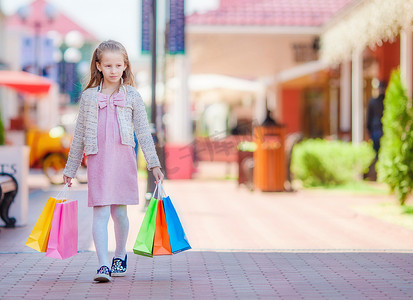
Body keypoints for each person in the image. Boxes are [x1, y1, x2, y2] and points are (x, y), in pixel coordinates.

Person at [63, 40, 164, 283]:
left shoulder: (132, 96)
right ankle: (102, 265)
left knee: (119, 213)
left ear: (125, 66)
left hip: (123, 161)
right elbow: (78, 136)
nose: (113, 70)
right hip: (98, 161)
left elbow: (143, 131)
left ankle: (120, 255)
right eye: (107, 65)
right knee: (100, 213)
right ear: (98, 66)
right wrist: (70, 168)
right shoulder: (88, 98)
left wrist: (154, 164)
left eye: (118, 65)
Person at [367, 81, 386, 156]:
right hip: (378, 129)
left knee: (377, 152)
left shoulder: (373, 101)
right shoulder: (384, 101)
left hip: (377, 129)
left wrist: (368, 129)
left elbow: (369, 117)